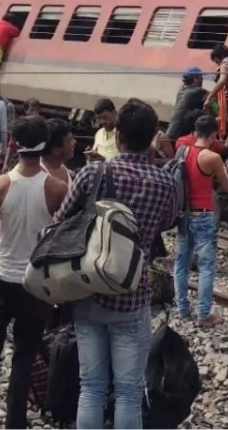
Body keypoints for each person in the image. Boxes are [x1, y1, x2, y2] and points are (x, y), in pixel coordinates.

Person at [51, 99, 178, 430]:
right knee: (128, 392)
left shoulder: (94, 172)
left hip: (88, 290)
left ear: (118, 134)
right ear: (152, 136)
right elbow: (164, 224)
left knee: (91, 387)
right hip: (133, 296)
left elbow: (59, 220)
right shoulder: (165, 182)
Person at [0, 117, 67, 429]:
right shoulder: (57, 188)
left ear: (13, 143)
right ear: (45, 146)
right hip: (35, 285)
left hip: (0, 280)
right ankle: (14, 425)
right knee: (23, 361)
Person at [173, 115, 228, 327]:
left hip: (184, 214)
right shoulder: (212, 157)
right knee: (206, 266)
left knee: (181, 264)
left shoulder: (183, 150)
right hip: (203, 214)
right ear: (214, 135)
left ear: (195, 132)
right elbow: (227, 187)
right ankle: (204, 315)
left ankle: (182, 310)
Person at [165, 67, 208, 139]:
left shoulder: (182, 89)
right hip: (178, 132)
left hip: (171, 129)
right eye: (201, 77)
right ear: (195, 78)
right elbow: (212, 94)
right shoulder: (196, 92)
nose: (202, 79)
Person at [86, 98, 119, 162]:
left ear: (114, 113)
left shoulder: (122, 135)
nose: (102, 121)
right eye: (99, 118)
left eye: (104, 117)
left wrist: (104, 160)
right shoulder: (99, 133)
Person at [43, 118, 75, 183]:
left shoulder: (62, 168)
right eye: (69, 141)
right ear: (56, 150)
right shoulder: (41, 178)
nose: (74, 142)